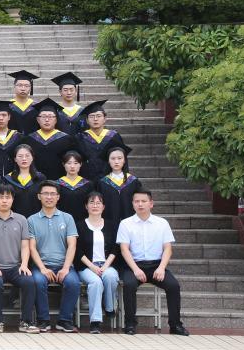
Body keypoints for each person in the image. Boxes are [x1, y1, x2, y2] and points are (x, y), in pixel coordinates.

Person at [117, 190, 189, 336]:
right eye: (136, 201)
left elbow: (168, 248)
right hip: (134, 266)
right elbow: (124, 249)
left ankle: (175, 325)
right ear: (132, 204)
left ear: (151, 204)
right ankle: (130, 324)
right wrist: (136, 269)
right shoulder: (125, 224)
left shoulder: (162, 223)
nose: (140, 204)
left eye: (143, 201)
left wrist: (162, 268)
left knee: (173, 286)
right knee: (129, 285)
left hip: (156, 266)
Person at [0, 184, 38, 333]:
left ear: (12, 199)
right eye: (1, 197)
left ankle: (26, 321)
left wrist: (24, 264)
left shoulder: (21, 219)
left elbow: (25, 246)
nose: (4, 200)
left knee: (29, 282)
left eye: (8, 197)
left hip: (16, 267)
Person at [27, 181, 80, 332]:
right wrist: (43, 268)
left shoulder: (67, 218)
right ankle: (43, 320)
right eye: (45, 194)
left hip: (64, 265)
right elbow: (32, 247)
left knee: (73, 283)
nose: (49, 197)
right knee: (38, 281)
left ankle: (64, 320)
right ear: (39, 196)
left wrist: (66, 268)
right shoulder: (31, 220)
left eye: (52, 194)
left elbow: (72, 245)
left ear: (58, 197)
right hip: (41, 265)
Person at [76, 191, 120, 334]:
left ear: (103, 206)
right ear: (86, 206)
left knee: (111, 276)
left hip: (107, 264)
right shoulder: (80, 225)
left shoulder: (111, 225)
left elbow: (115, 248)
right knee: (95, 282)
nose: (95, 206)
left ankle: (109, 307)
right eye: (91, 202)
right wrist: (92, 267)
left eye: (98, 203)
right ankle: (95, 321)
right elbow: (77, 251)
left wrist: (105, 266)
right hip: (86, 266)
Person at [75, 100, 127, 180]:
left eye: (98, 116)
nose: (95, 119)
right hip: (87, 179)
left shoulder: (113, 136)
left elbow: (122, 158)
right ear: (87, 120)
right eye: (91, 116)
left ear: (105, 119)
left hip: (109, 179)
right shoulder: (80, 138)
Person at [27, 98, 75, 179]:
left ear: (56, 120)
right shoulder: (29, 139)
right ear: (38, 120)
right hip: (35, 181)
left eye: (50, 117)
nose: (47, 120)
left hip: (59, 181)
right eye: (43, 116)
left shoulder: (67, 139)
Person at [98, 144, 142, 223]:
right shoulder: (102, 183)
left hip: (130, 223)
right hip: (109, 223)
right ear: (108, 161)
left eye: (119, 158)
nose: (116, 161)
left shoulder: (133, 181)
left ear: (124, 160)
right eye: (113, 158)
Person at [2, 144, 45, 217]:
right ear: (15, 159)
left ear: (32, 158)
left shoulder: (40, 178)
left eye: (27, 156)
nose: (24, 159)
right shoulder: (7, 179)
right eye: (20, 156)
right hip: (14, 219)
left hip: (36, 218)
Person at [57, 151, 94, 223]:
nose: (72, 166)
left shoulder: (88, 184)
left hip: (83, 221)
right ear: (63, 164)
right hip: (62, 221)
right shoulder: (57, 184)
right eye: (69, 163)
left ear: (81, 164)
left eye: (76, 163)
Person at [7, 70, 40, 135]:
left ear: (31, 88)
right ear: (14, 87)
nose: (23, 88)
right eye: (20, 85)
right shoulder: (7, 106)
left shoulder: (37, 107)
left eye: (26, 86)